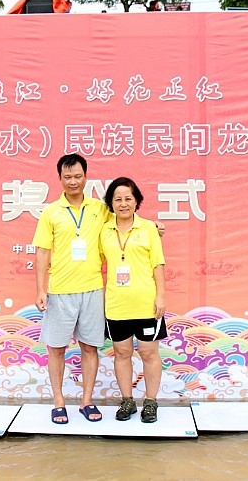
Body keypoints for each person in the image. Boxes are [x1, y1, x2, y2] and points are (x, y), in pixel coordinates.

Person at [33, 154, 163, 424]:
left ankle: (86, 401)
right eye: (67, 177)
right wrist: (41, 289)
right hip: (59, 291)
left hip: (93, 290)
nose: (73, 181)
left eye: (78, 176)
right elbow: (42, 252)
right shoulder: (50, 212)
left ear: (86, 177)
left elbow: (126, 217)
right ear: (59, 179)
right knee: (56, 349)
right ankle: (59, 402)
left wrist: (153, 226)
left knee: (90, 348)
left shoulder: (98, 208)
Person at [100, 177, 166, 424]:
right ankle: (127, 400)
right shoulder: (104, 230)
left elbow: (158, 263)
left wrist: (161, 295)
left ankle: (150, 401)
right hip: (116, 304)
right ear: (111, 203)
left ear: (137, 201)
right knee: (122, 353)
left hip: (146, 304)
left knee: (149, 353)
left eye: (128, 198)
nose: (123, 203)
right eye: (117, 199)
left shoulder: (148, 228)